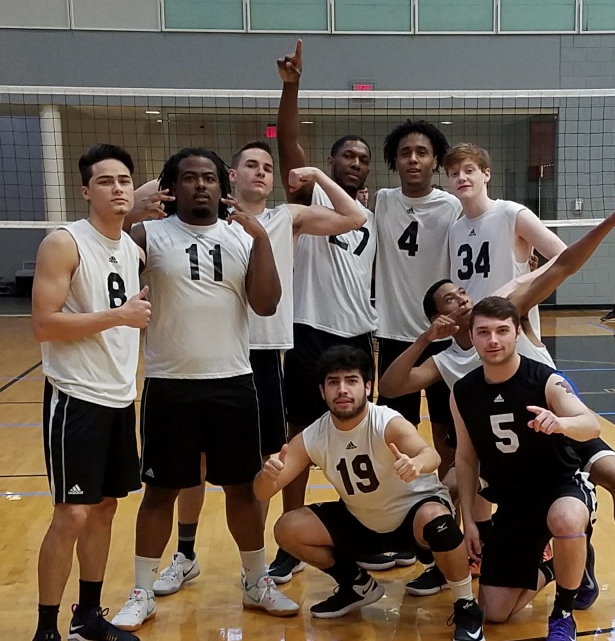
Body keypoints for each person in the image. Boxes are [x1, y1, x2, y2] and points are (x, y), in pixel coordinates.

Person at [380, 184, 615, 613]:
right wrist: (425, 338)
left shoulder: (505, 309)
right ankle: (457, 560)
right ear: (442, 317)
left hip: (559, 428)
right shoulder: (448, 359)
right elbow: (390, 387)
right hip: (510, 452)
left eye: (462, 292)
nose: (462, 298)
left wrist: (614, 220)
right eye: (450, 300)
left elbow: (564, 263)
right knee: (450, 485)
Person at [149, 141, 367, 594]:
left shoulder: (287, 217)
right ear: (231, 175)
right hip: (205, 354)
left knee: (261, 464)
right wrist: (160, 187)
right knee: (193, 464)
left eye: (268, 167)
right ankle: (185, 554)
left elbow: (355, 217)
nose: (262, 172)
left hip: (263, 353)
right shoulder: (202, 221)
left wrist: (316, 175)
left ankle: (259, 566)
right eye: (251, 165)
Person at [111, 146, 298, 632]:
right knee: (160, 493)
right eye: (189, 178)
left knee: (242, 489)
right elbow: (107, 254)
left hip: (232, 382)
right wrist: (133, 212)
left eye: (209, 178)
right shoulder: (148, 234)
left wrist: (261, 240)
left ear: (223, 186)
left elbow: (266, 304)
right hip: (170, 384)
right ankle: (141, 591)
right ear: (173, 188)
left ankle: (256, 581)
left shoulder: (242, 236)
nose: (200, 185)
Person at [254, 345, 485, 641]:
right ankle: (357, 585)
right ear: (322, 391)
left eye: (351, 381)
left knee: (436, 520)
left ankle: (466, 605)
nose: (342, 389)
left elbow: (431, 454)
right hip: (362, 520)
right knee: (287, 528)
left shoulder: (386, 421)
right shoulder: (314, 434)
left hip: (414, 518)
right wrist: (266, 476)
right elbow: (262, 492)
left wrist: (416, 464)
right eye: (333, 382)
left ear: (367, 387)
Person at [30, 144, 149, 641]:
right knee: (72, 515)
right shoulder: (64, 242)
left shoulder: (130, 246)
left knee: (103, 509)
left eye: (124, 180)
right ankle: (45, 635)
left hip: (120, 398)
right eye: (105, 181)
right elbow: (44, 324)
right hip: (75, 397)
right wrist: (118, 317)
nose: (117, 188)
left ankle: (89, 617)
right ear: (85, 190)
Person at [270, 39, 380, 581]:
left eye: (363, 159)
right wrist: (292, 87)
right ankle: (290, 538)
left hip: (360, 336)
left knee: (358, 436)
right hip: (310, 331)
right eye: (347, 157)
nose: (355, 163)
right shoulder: (311, 198)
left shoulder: (373, 214)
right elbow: (289, 143)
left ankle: (363, 530)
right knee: (298, 435)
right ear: (330, 163)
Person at [453, 295, 601, 641]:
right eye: (483, 332)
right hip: (514, 503)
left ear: (517, 333)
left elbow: (591, 424)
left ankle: (563, 615)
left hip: (562, 487)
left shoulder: (545, 381)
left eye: (502, 331)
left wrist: (560, 422)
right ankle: (557, 566)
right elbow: (466, 459)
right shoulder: (464, 391)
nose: (493, 340)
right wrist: (469, 520)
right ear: (471, 336)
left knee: (565, 519)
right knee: (495, 612)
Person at [374, 121, 462, 484]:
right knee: (395, 436)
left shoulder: (452, 206)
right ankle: (403, 506)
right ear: (394, 161)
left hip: (444, 337)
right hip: (395, 335)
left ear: (435, 161)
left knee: (448, 432)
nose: (413, 159)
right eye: (405, 153)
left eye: (421, 153)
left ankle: (448, 503)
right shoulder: (382, 200)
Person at [444, 143, 567, 340]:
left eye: (469, 170)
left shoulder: (511, 213)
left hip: (513, 330)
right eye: (454, 173)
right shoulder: (455, 229)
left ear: (486, 174)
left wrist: (519, 282)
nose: (462, 178)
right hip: (475, 332)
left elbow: (564, 256)